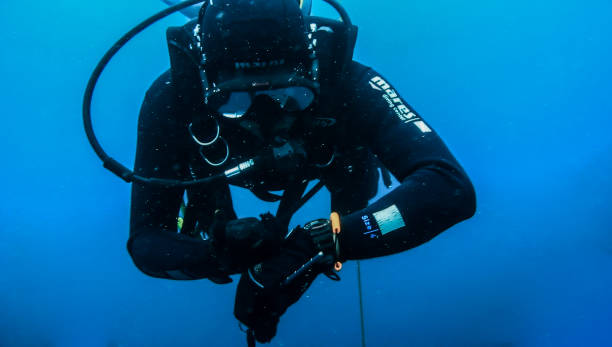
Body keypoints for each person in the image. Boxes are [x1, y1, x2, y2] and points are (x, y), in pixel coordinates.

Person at [128, 0, 476, 343]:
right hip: (214, 179)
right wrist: (216, 254)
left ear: (311, 68)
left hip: (336, 164)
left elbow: (448, 189)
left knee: (353, 185)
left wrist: (320, 242)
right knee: (205, 212)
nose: (265, 118)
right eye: (236, 102)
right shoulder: (173, 100)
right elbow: (146, 242)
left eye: (290, 94)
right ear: (206, 82)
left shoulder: (348, 84)